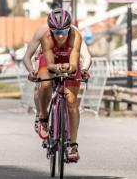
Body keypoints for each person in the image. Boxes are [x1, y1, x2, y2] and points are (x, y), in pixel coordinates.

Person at [24, 8, 89, 162]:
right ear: (50, 29)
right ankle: (43, 117)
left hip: (68, 60)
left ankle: (72, 145)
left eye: (64, 32)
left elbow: (77, 60)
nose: (60, 36)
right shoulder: (44, 33)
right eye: (56, 32)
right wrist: (32, 71)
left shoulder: (75, 34)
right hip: (49, 60)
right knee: (45, 84)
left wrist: (81, 69)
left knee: (72, 101)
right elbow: (30, 57)